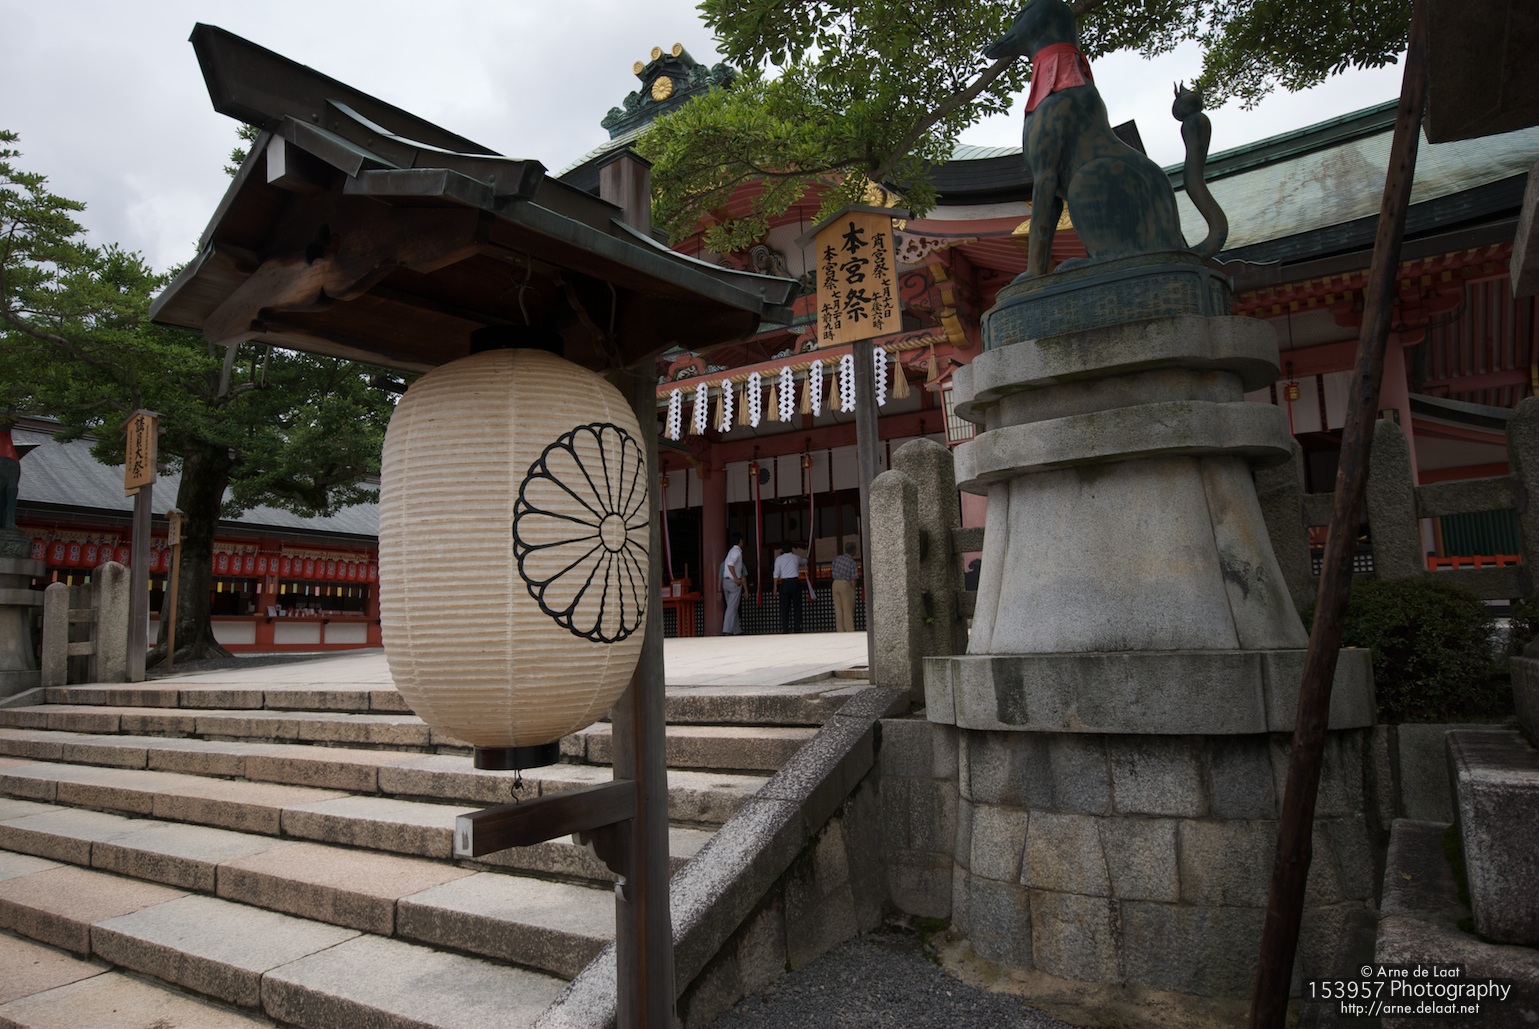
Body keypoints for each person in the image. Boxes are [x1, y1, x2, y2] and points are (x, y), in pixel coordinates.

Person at [772, 541, 805, 634]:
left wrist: (775, 586)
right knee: (797, 605)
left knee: (784, 606)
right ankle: (797, 627)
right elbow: (803, 562)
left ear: (782, 549)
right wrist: (808, 560)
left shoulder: (778, 559)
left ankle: (785, 628)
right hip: (795, 582)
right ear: (791, 548)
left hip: (785, 583)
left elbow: (776, 574)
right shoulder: (796, 558)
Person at [831, 541, 859, 633]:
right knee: (847, 608)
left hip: (835, 583)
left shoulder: (837, 559)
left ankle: (840, 629)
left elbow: (832, 570)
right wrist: (853, 590)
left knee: (838, 608)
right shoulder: (852, 562)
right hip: (845, 584)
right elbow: (853, 578)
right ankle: (849, 629)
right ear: (854, 551)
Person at [722, 532, 746, 635]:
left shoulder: (731, 551)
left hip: (726, 581)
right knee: (732, 607)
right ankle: (727, 630)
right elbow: (730, 565)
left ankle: (736, 630)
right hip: (733, 582)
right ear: (740, 540)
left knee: (732, 606)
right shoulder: (737, 552)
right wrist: (736, 578)